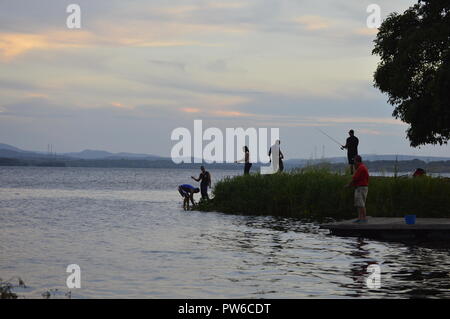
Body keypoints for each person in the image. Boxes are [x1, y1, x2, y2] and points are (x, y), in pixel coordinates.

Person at [346, 155, 369, 223]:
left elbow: (354, 179)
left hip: (361, 188)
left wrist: (348, 185)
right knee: (358, 204)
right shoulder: (361, 167)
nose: (354, 162)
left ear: (357, 161)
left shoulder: (361, 168)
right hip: (360, 188)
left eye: (354, 161)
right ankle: (359, 218)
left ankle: (364, 219)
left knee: (361, 204)